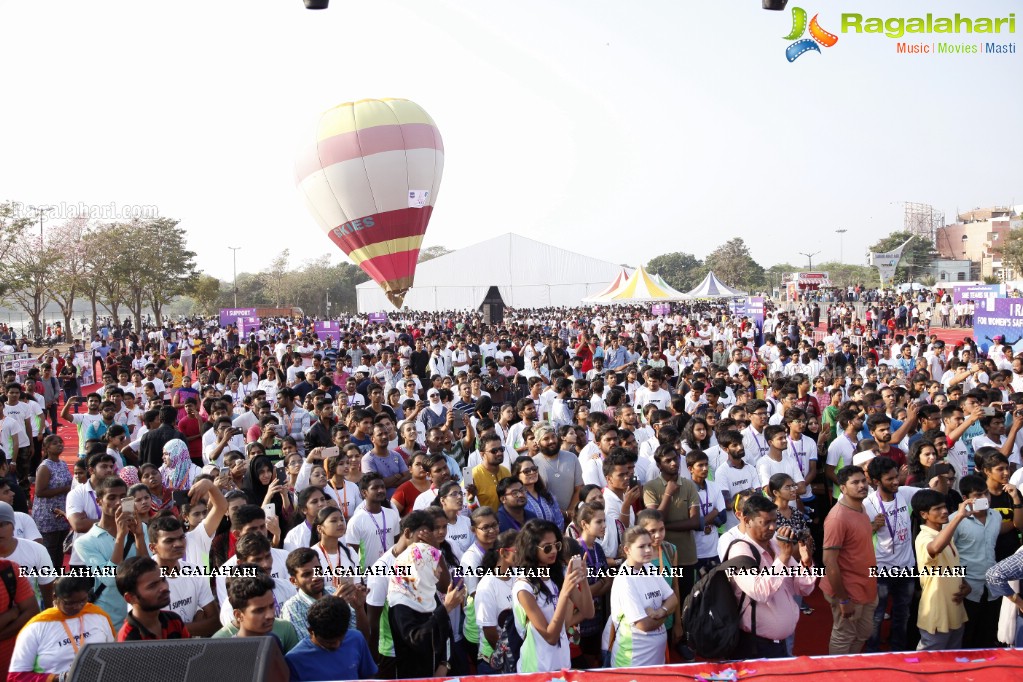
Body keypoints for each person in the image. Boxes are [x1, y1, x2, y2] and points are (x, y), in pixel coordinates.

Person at [727, 494, 817, 658]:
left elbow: (804, 588)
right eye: (766, 522)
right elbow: (760, 592)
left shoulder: (776, 545)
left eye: (775, 521)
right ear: (747, 521)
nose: (772, 527)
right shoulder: (739, 551)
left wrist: (806, 562)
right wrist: (783, 557)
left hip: (780, 643)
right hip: (756, 646)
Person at [512, 519, 592, 672]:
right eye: (547, 548)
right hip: (537, 669)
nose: (554, 551)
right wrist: (564, 593)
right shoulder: (523, 587)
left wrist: (583, 580)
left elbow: (588, 612)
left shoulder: (557, 575)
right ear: (531, 549)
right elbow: (550, 637)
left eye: (557, 545)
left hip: (562, 665)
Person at [820, 465, 879, 655]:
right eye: (855, 482)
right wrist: (843, 599)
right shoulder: (837, 518)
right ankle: (839, 673)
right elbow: (829, 562)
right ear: (842, 488)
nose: (862, 485)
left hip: (866, 585)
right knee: (844, 636)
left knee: (863, 633)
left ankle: (852, 667)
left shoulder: (860, 507)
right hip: (847, 591)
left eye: (863, 481)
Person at [75, 475, 146, 630]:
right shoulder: (85, 542)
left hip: (141, 615)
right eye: (112, 497)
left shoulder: (141, 528)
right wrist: (121, 537)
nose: (118, 503)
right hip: (108, 619)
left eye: (123, 497)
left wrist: (139, 536)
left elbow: (147, 569)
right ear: (99, 501)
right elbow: (110, 579)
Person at [9, 576, 113, 681]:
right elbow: (16, 677)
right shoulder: (36, 627)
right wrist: (60, 678)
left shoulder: (98, 616)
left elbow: (114, 657)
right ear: (55, 597)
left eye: (83, 600)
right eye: (69, 603)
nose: (77, 607)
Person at [387, 539, 464, 678]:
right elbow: (417, 639)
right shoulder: (400, 604)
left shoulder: (427, 592)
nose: (440, 569)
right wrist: (445, 608)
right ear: (420, 567)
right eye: (434, 564)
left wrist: (445, 664)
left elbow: (447, 632)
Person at [607, 525, 677, 667]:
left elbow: (673, 599)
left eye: (649, 545)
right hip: (633, 662)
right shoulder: (625, 579)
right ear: (627, 550)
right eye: (641, 546)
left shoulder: (649, 568)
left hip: (656, 660)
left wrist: (659, 612)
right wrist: (666, 613)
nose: (648, 550)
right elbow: (643, 625)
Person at [911, 489, 971, 650]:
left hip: (954, 610)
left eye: (945, 507)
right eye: (937, 509)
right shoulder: (924, 538)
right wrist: (958, 517)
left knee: (952, 662)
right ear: (924, 514)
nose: (944, 511)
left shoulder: (945, 535)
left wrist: (964, 583)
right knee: (929, 665)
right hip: (936, 612)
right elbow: (935, 547)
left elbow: (950, 566)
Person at [147, 515, 219, 637]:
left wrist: (172, 629)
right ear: (153, 548)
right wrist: (197, 626)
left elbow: (215, 622)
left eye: (181, 538)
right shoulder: (144, 579)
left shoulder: (194, 571)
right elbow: (150, 630)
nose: (179, 544)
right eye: (169, 541)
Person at [286, 596, 378, 681]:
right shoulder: (294, 660)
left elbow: (369, 676)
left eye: (341, 639)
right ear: (311, 631)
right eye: (329, 642)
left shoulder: (356, 639)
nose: (336, 645)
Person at [115, 556, 190, 641]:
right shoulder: (128, 639)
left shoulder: (174, 620)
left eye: (163, 580)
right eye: (152, 586)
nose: (164, 587)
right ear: (130, 598)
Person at [31, 435, 72, 570]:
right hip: (47, 514)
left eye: (61, 442)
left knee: (61, 547)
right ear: (47, 448)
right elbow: (39, 492)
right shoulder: (45, 467)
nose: (60, 445)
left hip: (61, 512)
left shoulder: (63, 463)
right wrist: (64, 489)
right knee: (50, 548)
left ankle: (58, 575)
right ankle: (48, 578)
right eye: (55, 443)